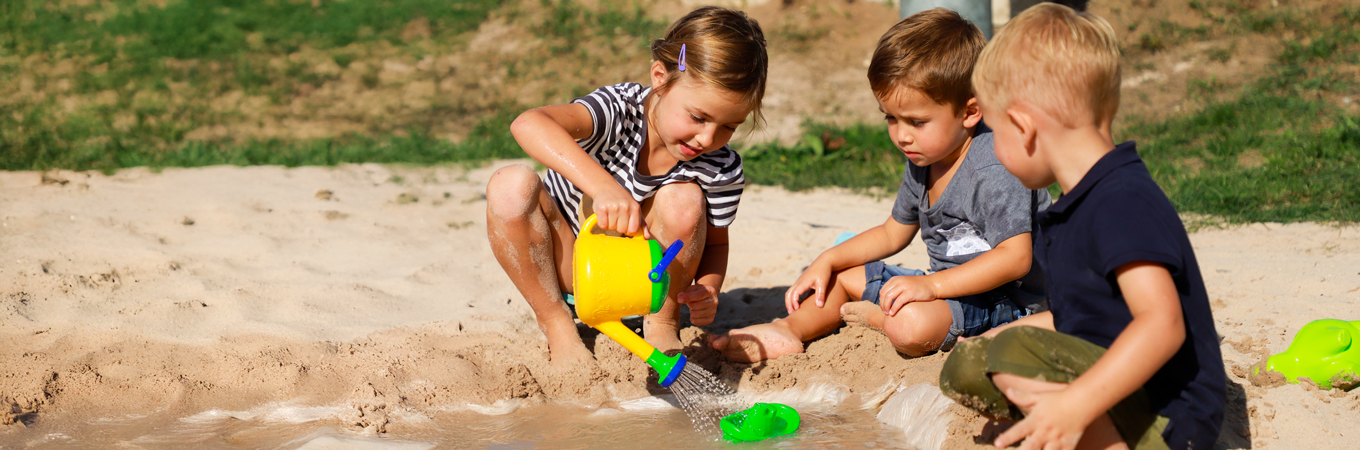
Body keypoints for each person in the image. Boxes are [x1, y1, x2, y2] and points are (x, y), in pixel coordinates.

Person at [937, 4, 1226, 450]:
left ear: (1023, 127)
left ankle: (1091, 435)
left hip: (1169, 417)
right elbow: (1087, 320)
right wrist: (999, 337)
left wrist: (1077, 404)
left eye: (994, 133)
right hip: (1118, 390)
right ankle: (1054, 425)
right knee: (973, 362)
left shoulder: (1121, 200)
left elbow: (1163, 324)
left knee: (1014, 354)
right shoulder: (1074, 207)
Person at [710, 8, 1050, 363]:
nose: (901, 135)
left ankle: (879, 318)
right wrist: (828, 259)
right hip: (945, 291)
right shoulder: (925, 157)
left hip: (1008, 301)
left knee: (911, 326)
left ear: (970, 112)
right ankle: (789, 329)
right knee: (839, 276)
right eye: (890, 117)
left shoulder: (993, 165)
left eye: (916, 121)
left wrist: (930, 287)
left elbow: (1015, 259)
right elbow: (892, 234)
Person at [484, 6, 767, 368]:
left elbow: (715, 243)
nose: (708, 137)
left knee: (684, 197)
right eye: (698, 117)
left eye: (729, 126)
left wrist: (709, 288)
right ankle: (557, 325)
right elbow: (527, 123)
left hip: (647, 289)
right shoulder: (619, 110)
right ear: (660, 78)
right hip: (572, 267)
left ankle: (663, 325)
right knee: (510, 186)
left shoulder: (720, 167)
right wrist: (604, 187)